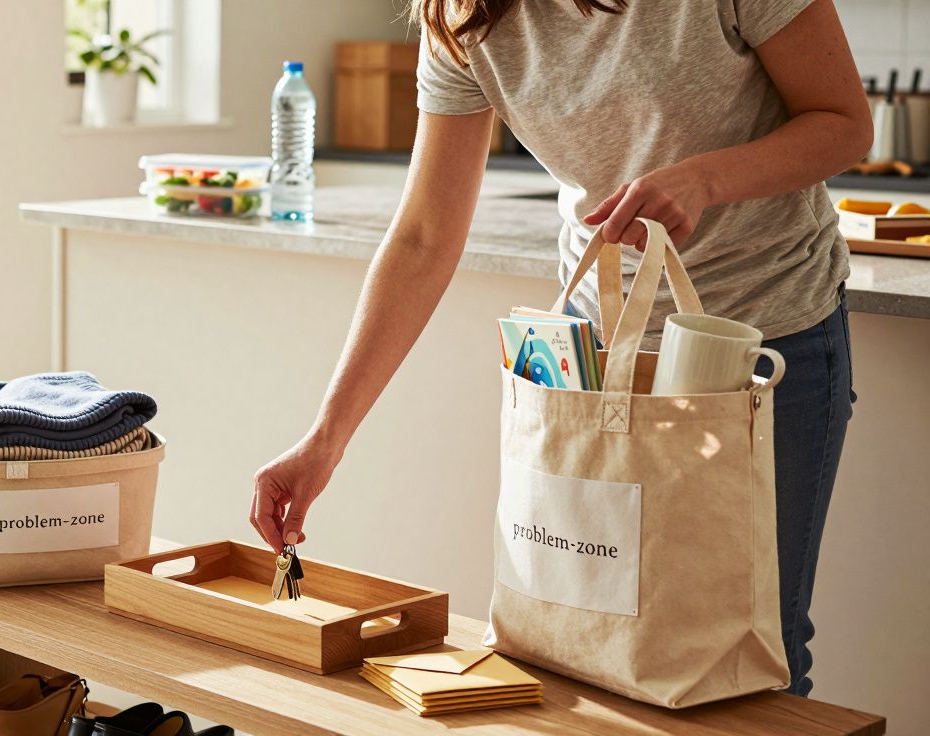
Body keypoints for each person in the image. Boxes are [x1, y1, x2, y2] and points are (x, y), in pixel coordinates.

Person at [249, 0, 868, 696]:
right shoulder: (465, 16)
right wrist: (324, 440)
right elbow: (425, 235)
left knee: (752, 655)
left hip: (759, 339)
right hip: (596, 353)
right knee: (587, 637)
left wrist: (703, 178)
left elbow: (845, 125)